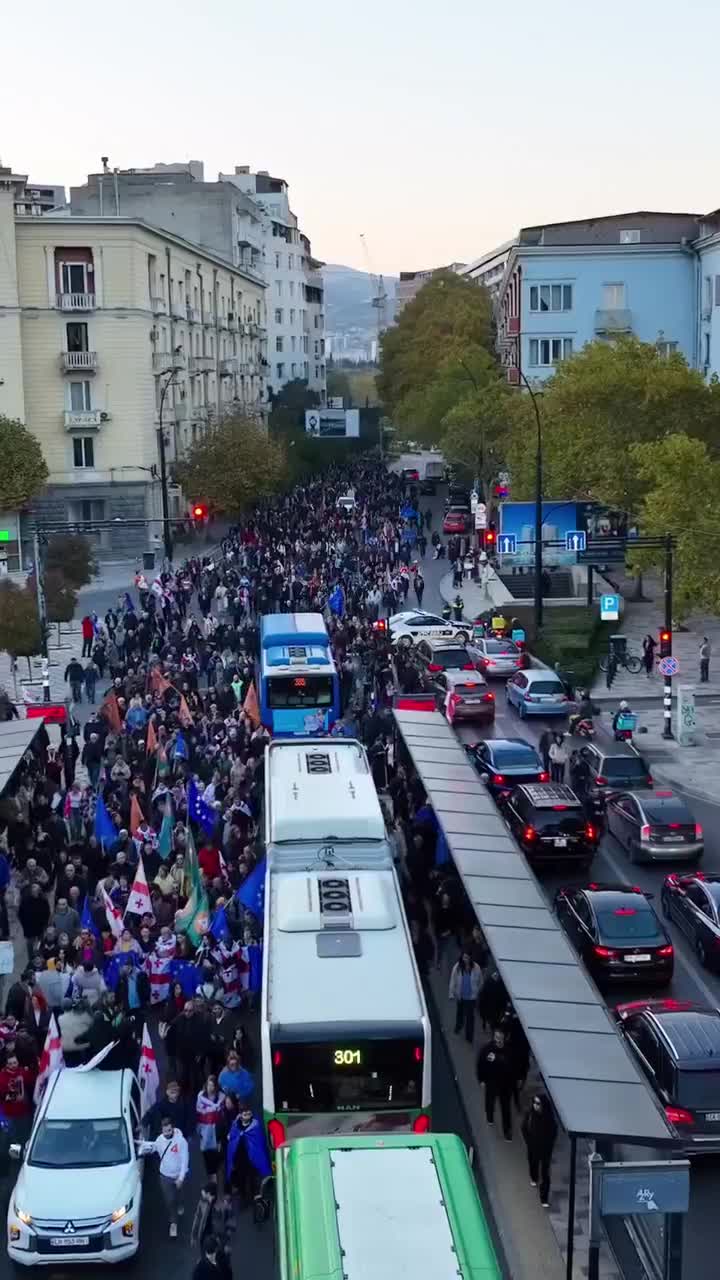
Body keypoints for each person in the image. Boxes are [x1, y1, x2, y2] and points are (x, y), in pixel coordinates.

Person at [139, 1116, 190, 1238]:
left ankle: (181, 1204)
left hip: (178, 1175)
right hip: (165, 1176)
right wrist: (141, 1145)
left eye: (169, 1130)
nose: (168, 1133)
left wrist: (181, 1178)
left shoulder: (181, 1141)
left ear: (172, 1128)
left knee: (180, 1196)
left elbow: (185, 1160)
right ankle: (173, 1223)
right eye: (165, 1131)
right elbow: (154, 1147)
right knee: (170, 1200)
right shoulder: (160, 1139)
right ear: (162, 1130)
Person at [225, 1106, 272, 1206]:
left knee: (252, 1179)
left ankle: (253, 1197)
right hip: (239, 1159)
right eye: (245, 1114)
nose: (247, 1116)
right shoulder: (235, 1125)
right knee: (241, 1178)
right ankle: (243, 1198)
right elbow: (232, 1138)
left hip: (251, 1159)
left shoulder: (255, 1126)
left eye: (249, 1114)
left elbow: (259, 1143)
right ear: (241, 1115)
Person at [475, 1028, 514, 1140]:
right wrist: (481, 1079)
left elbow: (510, 1065)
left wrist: (497, 1059)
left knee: (506, 1109)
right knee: (489, 1101)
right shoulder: (487, 1049)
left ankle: (507, 1131)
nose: (497, 1040)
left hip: (505, 1085)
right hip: (491, 1082)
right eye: (496, 1037)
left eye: (500, 1038)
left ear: (504, 1038)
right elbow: (480, 1064)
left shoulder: (508, 1050)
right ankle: (489, 1116)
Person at [521, 1092, 558, 1208]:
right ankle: (533, 1177)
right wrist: (528, 1142)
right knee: (533, 1164)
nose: (535, 1105)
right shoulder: (530, 1114)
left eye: (538, 1103)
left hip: (546, 1150)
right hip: (533, 1147)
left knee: (545, 1174)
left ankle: (544, 1198)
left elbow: (553, 1133)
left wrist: (549, 1146)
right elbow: (523, 1128)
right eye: (534, 1103)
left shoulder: (549, 1118)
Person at [448, 951, 483, 1043]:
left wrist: (478, 992)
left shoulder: (476, 967)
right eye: (464, 957)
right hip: (460, 995)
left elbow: (480, 981)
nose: (465, 959)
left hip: (471, 998)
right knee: (460, 1013)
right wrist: (451, 993)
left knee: (470, 1018)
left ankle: (469, 1037)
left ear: (470, 958)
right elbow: (453, 980)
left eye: (467, 957)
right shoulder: (457, 967)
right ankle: (458, 1026)